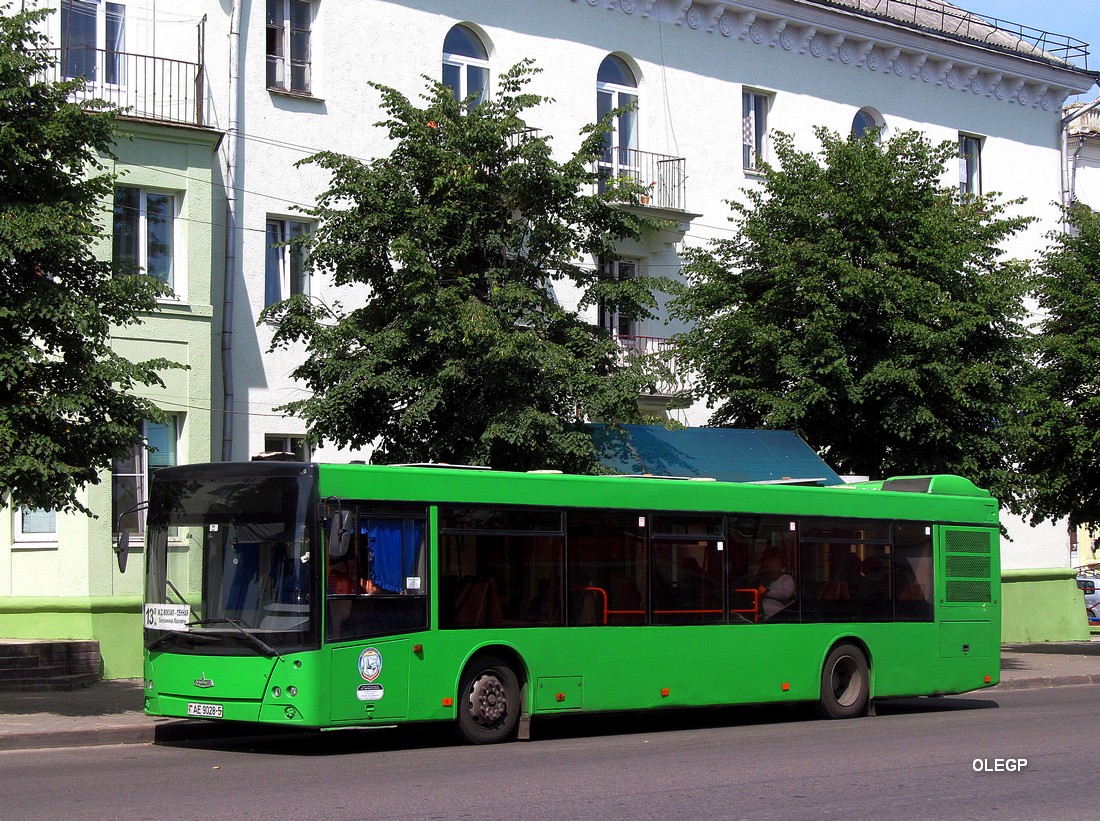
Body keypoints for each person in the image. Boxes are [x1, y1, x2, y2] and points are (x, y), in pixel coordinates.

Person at [758, 553, 795, 619]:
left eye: (770, 569)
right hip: (762, 610)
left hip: (779, 611)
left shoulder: (786, 578)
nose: (768, 571)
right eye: (767, 569)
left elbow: (786, 594)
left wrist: (767, 592)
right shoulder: (766, 580)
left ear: (778, 568)